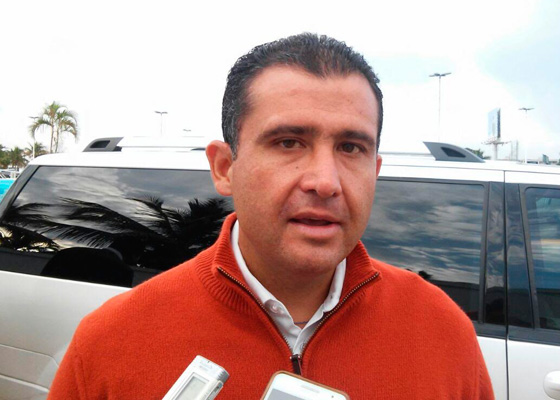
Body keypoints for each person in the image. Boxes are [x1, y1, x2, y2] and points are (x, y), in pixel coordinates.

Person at [48, 33, 494, 399]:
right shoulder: (110, 341)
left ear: (374, 171)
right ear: (225, 168)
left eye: (350, 147)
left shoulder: (442, 330)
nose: (325, 181)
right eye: (288, 142)